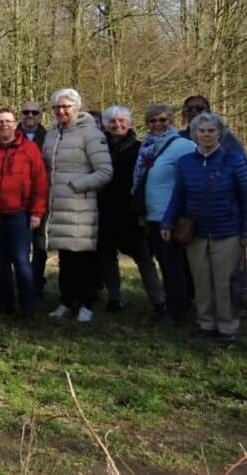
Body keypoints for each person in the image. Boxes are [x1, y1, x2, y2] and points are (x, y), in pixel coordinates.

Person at [162, 113, 247, 345]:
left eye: (211, 130)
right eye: (202, 131)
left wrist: (244, 231)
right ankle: (206, 323)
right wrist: (168, 222)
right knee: (201, 281)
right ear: (195, 134)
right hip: (196, 232)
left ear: (220, 133)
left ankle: (227, 327)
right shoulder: (185, 162)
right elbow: (178, 195)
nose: (206, 134)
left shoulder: (234, 160)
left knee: (224, 282)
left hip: (227, 232)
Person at [42, 88, 113, 323]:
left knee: (83, 258)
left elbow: (105, 171)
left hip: (80, 206)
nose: (61, 111)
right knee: (65, 258)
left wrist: (77, 184)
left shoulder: (91, 134)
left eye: (66, 107)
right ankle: (66, 301)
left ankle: (86, 303)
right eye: (56, 107)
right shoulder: (52, 134)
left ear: (76, 108)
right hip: (57, 206)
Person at [0, 108, 47, 319]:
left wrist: (37, 213)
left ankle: (27, 306)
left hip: (19, 214)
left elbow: (40, 184)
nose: (4, 125)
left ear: (15, 124)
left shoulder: (30, 149)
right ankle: (6, 303)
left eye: (8, 121)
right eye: (0, 122)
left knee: (21, 261)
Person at [132, 103, 196, 323]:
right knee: (164, 263)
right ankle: (174, 305)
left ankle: (177, 311)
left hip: (170, 217)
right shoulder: (147, 146)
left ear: (171, 120)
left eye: (162, 120)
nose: (157, 124)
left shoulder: (182, 146)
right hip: (152, 216)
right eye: (152, 121)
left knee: (173, 266)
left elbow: (190, 180)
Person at [97, 106, 164, 314]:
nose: (117, 125)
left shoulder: (141, 149)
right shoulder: (99, 148)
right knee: (107, 256)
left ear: (129, 123)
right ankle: (114, 298)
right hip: (105, 210)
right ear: (106, 125)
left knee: (143, 258)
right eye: (112, 121)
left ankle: (158, 301)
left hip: (131, 212)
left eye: (121, 121)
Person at [179, 96, 244, 154]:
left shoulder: (224, 136)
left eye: (199, 108)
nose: (194, 112)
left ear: (208, 111)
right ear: (184, 114)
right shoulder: (178, 138)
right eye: (189, 109)